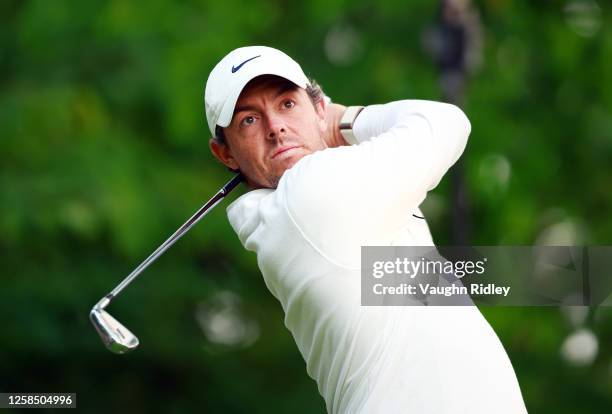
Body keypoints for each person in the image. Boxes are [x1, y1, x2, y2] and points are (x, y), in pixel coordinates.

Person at [204, 46, 527, 413]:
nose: (275, 127)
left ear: (316, 106)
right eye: (249, 120)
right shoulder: (309, 194)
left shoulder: (291, 209)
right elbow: (446, 123)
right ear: (225, 154)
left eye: (287, 105)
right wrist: (343, 119)